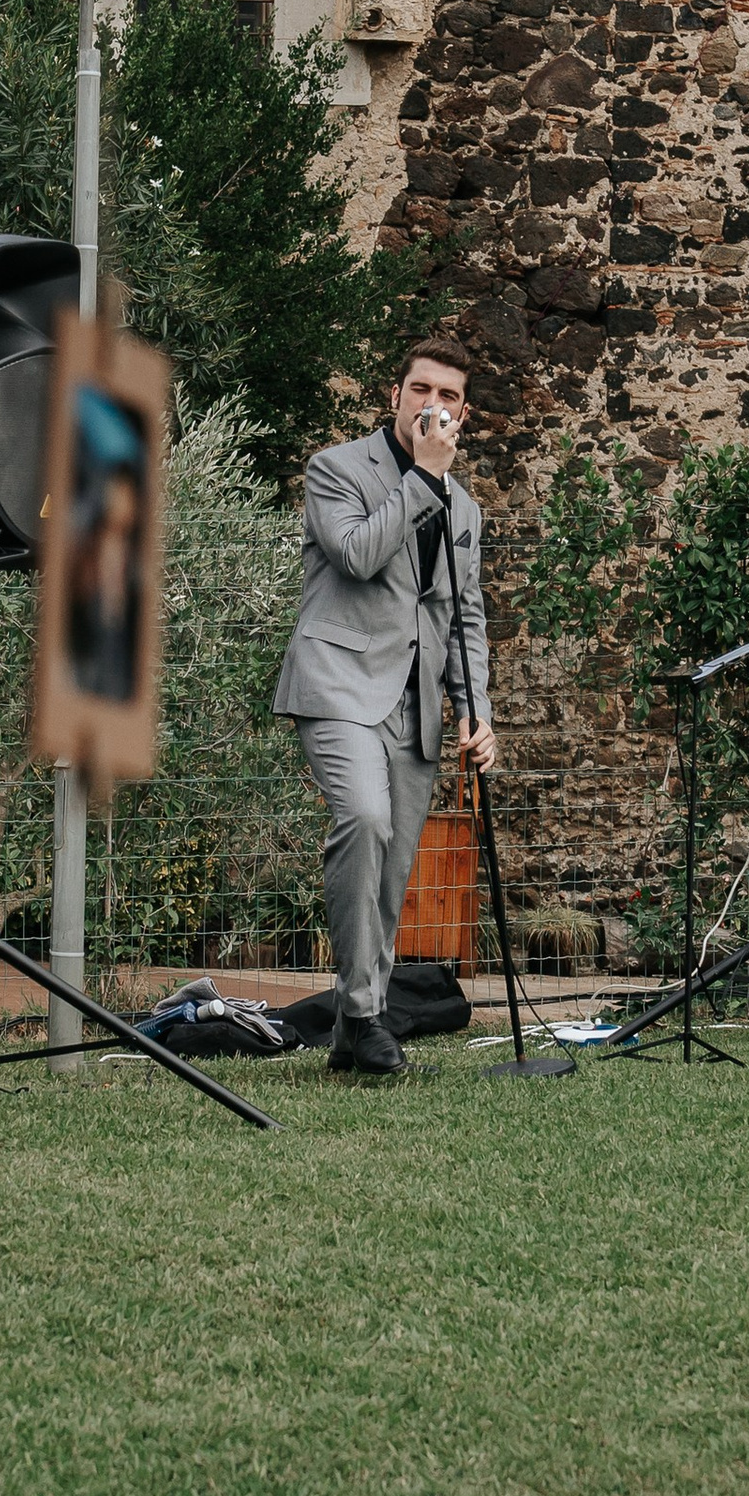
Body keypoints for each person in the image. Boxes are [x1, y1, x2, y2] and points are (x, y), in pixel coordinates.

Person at [272, 339, 494, 1080]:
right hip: (339, 682)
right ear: (395, 396)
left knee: (393, 869)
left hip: (415, 703)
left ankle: (351, 1031)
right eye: (421, 389)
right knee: (364, 819)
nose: (434, 404)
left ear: (464, 413)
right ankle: (367, 1014)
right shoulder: (336, 469)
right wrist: (424, 476)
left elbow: (463, 619)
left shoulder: (466, 508)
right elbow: (359, 555)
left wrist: (475, 708)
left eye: (448, 395)